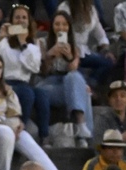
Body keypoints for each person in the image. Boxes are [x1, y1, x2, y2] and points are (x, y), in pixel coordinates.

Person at [0, 5, 51, 146]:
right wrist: (1, 37)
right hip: (4, 82)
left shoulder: (33, 44)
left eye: (24, 17)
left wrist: (23, 42)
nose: (20, 20)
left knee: (42, 94)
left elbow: (34, 67)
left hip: (24, 83)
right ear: (11, 20)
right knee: (27, 93)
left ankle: (44, 136)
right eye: (17, 17)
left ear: (28, 21)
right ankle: (19, 130)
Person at [38, 11, 94, 145]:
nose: (61, 28)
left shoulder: (75, 46)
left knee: (74, 79)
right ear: (52, 26)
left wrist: (69, 57)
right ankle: (84, 136)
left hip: (68, 82)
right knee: (83, 91)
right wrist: (50, 55)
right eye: (57, 24)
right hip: (48, 83)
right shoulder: (42, 43)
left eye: (64, 24)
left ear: (69, 27)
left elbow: (73, 69)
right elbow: (42, 72)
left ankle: (81, 127)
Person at [57, 0, 115, 87]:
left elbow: (100, 34)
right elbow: (61, 38)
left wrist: (106, 49)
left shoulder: (91, 9)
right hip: (68, 54)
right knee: (76, 74)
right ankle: (86, 86)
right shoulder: (64, 8)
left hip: (84, 52)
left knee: (108, 62)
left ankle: (91, 84)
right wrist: (73, 56)